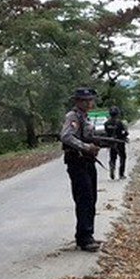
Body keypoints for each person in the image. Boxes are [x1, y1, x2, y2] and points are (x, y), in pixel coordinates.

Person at [60, 87, 102, 252]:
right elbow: (66, 136)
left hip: (87, 161)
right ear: (77, 101)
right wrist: (85, 147)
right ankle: (84, 238)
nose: (89, 103)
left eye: (90, 100)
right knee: (84, 198)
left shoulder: (86, 118)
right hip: (77, 161)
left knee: (91, 198)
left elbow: (85, 136)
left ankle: (86, 234)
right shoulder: (73, 116)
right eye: (85, 100)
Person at [103, 105, 129, 180]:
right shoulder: (120, 123)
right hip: (120, 142)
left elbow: (106, 133)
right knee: (122, 157)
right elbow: (125, 132)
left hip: (111, 143)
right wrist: (125, 135)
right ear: (117, 114)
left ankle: (112, 166)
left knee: (112, 157)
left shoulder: (106, 123)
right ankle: (121, 174)